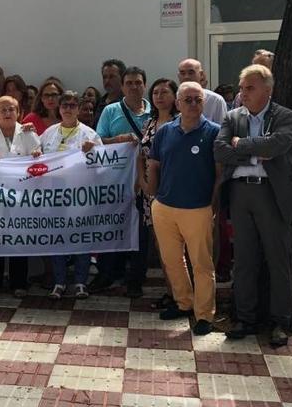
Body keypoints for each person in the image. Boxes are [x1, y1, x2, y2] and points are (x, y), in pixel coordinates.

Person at [214, 64, 292, 347]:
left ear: (267, 90)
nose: (243, 93)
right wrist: (253, 153)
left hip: (271, 194)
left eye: (250, 88)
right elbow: (220, 149)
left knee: (277, 259)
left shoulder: (285, 115)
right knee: (245, 260)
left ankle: (279, 321)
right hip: (240, 193)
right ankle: (246, 318)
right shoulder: (232, 116)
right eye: (241, 88)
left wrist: (242, 144)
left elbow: (277, 145)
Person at [146, 81, 220, 336]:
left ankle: (204, 314)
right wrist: (154, 195)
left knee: (201, 263)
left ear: (203, 102)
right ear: (177, 103)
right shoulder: (165, 131)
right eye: (187, 99)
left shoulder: (214, 133)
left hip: (198, 208)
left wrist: (213, 205)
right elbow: (154, 163)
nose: (192, 104)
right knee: (172, 261)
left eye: (197, 99)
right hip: (164, 207)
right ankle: (184, 303)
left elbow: (220, 174)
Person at [91, 66, 152, 297]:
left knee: (141, 233)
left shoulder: (153, 111)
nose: (134, 87)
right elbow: (97, 141)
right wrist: (118, 139)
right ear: (123, 86)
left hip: (145, 182)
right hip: (114, 181)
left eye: (138, 82)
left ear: (144, 85)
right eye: (129, 83)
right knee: (111, 227)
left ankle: (136, 279)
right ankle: (107, 274)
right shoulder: (110, 110)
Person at [36, 91, 101, 299]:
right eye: (65, 105)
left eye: (73, 105)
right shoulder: (48, 133)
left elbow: (103, 165)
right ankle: (60, 282)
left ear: (79, 108)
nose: (68, 109)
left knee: (81, 237)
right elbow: (35, 157)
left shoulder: (90, 134)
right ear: (59, 108)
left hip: (80, 192)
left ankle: (81, 282)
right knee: (57, 238)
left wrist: (94, 151)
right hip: (54, 192)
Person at [0, 96, 40, 298]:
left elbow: (39, 158)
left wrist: (37, 154)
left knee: (18, 238)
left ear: (18, 112)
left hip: (22, 196)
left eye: (11, 109)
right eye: (2, 109)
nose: (7, 113)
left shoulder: (28, 134)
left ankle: (18, 283)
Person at [137, 78, 179, 310]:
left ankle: (182, 294)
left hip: (174, 192)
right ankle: (171, 292)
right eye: (155, 93)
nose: (160, 96)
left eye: (165, 92)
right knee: (162, 246)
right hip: (150, 195)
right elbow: (140, 155)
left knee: (177, 247)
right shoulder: (149, 124)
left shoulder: (180, 123)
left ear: (175, 96)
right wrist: (141, 182)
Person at [177, 59, 228, 125]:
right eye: (182, 73)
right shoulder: (174, 98)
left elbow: (222, 130)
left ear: (201, 74)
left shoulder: (215, 100)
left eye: (191, 73)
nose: (186, 77)